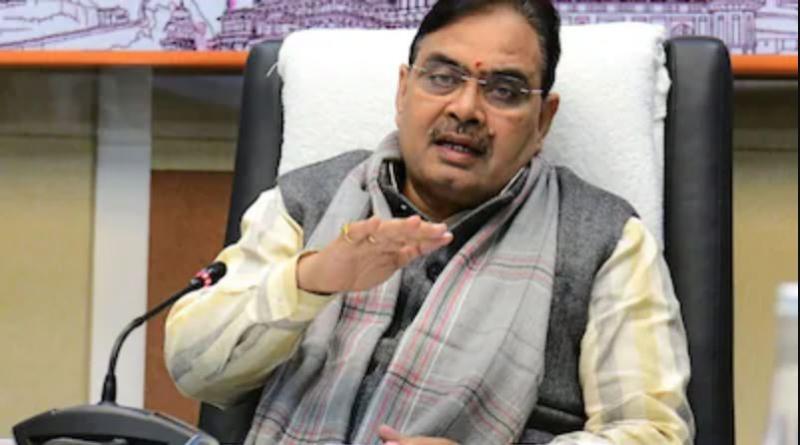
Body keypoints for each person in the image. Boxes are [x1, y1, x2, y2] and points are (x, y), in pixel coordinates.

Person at [165, 1, 694, 444]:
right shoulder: (307, 202)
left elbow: (653, 432)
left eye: (504, 90)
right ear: (403, 91)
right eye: (442, 78)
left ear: (543, 120)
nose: (466, 109)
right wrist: (310, 280)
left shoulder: (607, 241)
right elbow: (193, 368)